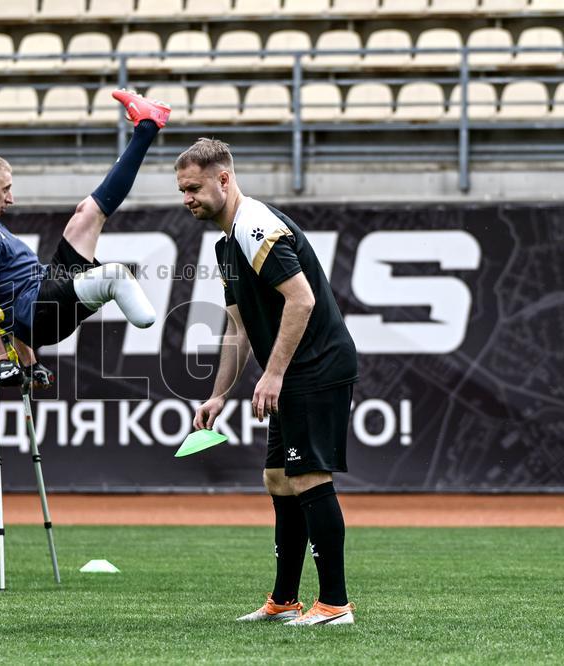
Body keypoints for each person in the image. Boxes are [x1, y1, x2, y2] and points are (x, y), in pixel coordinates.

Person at [175, 138, 359, 626]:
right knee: (278, 478)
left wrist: (273, 373)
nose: (187, 198)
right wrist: (217, 395)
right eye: (182, 190)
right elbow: (236, 329)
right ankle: (285, 600)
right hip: (296, 369)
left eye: (194, 187)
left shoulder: (256, 226)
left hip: (316, 365)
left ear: (224, 179)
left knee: (308, 476)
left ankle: (335, 604)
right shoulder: (225, 243)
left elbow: (302, 301)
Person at [0, 89, 170, 387]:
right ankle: (120, 288)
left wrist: (30, 362)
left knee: (87, 213)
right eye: (6, 189)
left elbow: (5, 299)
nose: (11, 199)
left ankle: (147, 126)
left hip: (42, 292)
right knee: (114, 276)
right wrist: (2, 362)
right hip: (41, 309)